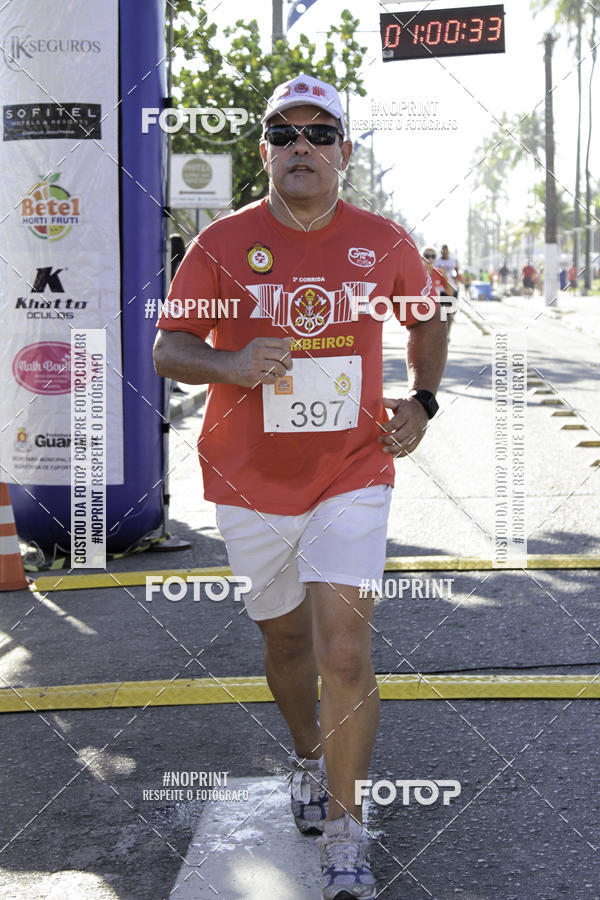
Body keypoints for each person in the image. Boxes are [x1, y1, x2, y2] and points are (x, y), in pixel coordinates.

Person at [153, 73, 447, 900]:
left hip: (352, 470)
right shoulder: (221, 243)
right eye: (284, 134)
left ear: (344, 152)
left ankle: (347, 831)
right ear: (264, 153)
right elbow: (168, 347)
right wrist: (230, 363)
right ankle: (309, 756)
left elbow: (428, 317)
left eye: (320, 133)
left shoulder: (383, 241)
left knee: (343, 648)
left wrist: (423, 400)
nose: (302, 147)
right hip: (248, 481)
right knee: (285, 644)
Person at [434, 243, 458, 337]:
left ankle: (447, 335)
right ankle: (441, 334)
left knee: (450, 315)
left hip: (450, 288)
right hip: (440, 289)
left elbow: (457, 271)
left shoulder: (453, 261)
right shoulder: (437, 261)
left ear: (448, 252)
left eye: (446, 251)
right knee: (441, 314)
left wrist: (455, 278)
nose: (444, 253)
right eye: (442, 251)